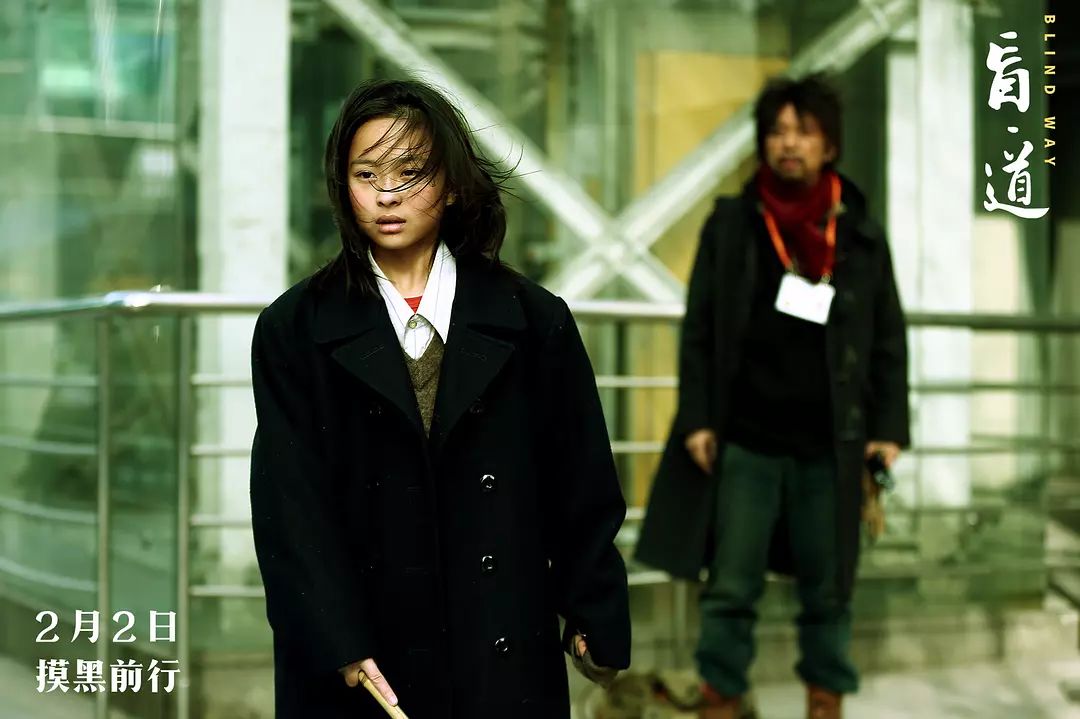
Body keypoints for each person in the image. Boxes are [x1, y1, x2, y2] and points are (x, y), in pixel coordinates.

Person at [249, 78, 631, 718]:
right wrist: (337, 640)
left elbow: (580, 478)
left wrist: (593, 609)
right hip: (366, 660)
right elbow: (289, 505)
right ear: (342, 186)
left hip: (500, 642)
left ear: (452, 185)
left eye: (411, 173)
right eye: (366, 174)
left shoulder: (533, 319)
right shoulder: (294, 329)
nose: (387, 194)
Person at [635, 74, 910, 719]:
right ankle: (722, 697)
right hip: (747, 438)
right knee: (731, 585)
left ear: (829, 146)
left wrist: (888, 428)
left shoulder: (861, 235)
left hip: (832, 443)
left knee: (829, 588)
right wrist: (698, 419)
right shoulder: (733, 224)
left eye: (804, 132)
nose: (789, 144)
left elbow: (887, 339)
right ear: (763, 143)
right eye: (778, 132)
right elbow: (699, 329)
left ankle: (825, 701)